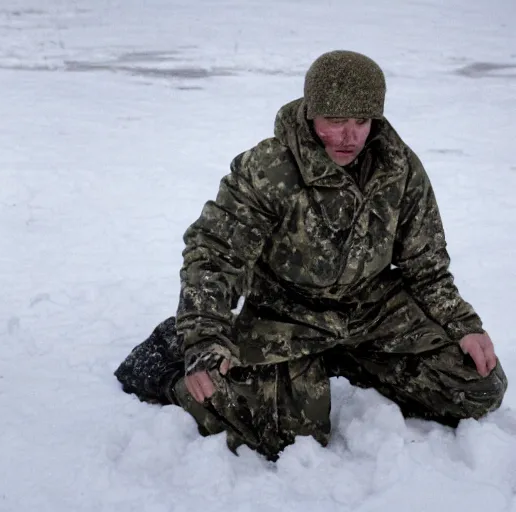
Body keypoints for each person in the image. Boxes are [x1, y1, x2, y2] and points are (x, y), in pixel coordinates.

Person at [114, 50, 505, 460]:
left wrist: (463, 325)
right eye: (335, 121)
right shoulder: (269, 168)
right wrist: (204, 336)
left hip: (371, 310)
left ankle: (342, 359)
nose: (350, 136)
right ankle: (169, 362)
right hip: (287, 313)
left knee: (477, 385)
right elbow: (214, 256)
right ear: (310, 113)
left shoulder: (399, 167)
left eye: (361, 121)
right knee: (288, 433)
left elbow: (425, 264)